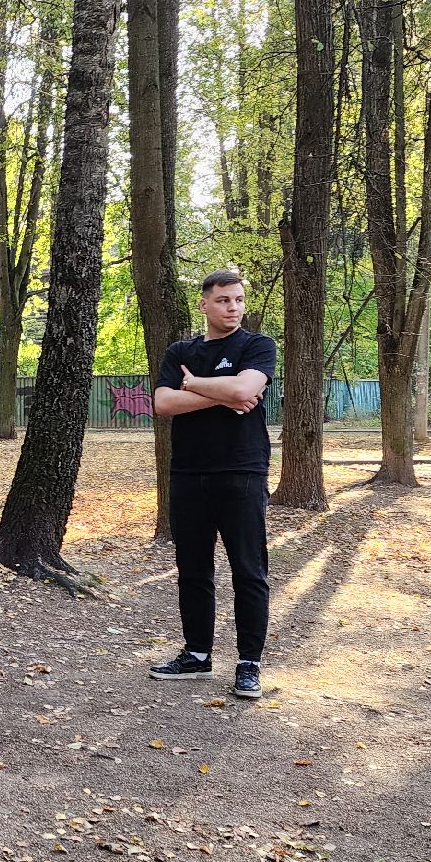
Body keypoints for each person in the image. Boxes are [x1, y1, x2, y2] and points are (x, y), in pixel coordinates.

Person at [148, 271, 277, 699]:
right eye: (223, 300)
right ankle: (198, 655)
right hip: (188, 474)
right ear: (204, 304)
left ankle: (248, 664)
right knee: (193, 569)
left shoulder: (257, 346)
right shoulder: (180, 350)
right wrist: (224, 394)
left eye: (238, 300)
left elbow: (247, 387)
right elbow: (163, 404)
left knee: (248, 570)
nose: (233, 307)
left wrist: (192, 383)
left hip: (242, 471)